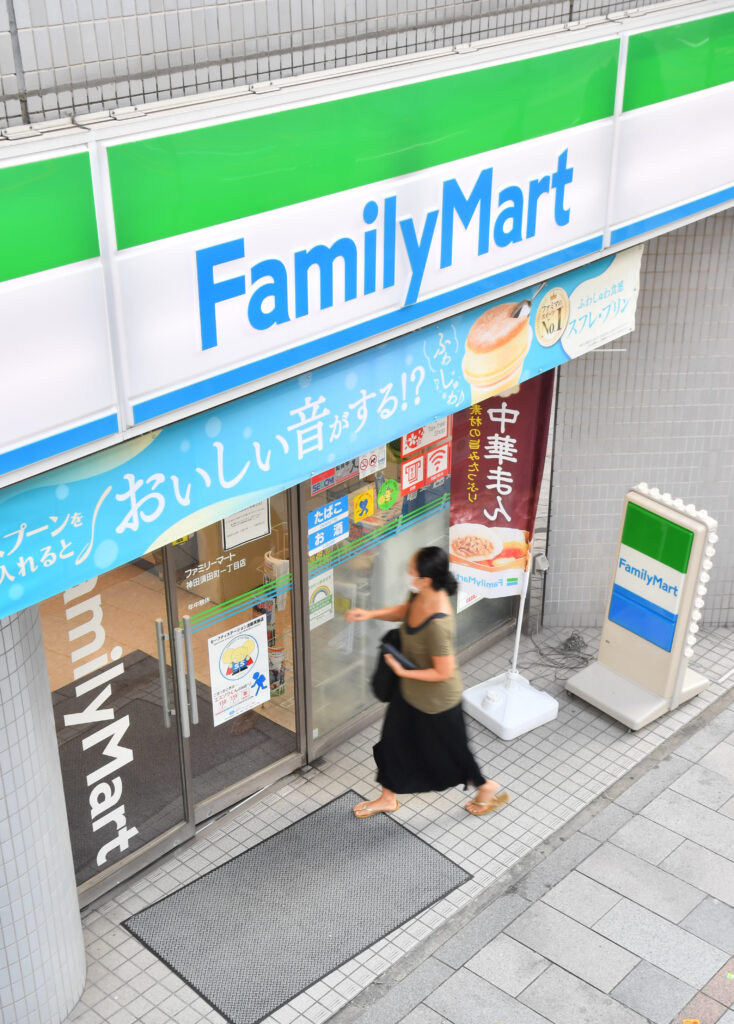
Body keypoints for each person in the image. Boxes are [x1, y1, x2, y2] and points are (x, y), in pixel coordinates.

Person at [345, 546, 509, 819]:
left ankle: (485, 787)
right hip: (409, 694)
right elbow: (406, 611)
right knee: (391, 744)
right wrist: (370, 614)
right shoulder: (420, 593)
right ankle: (387, 798)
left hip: (438, 703)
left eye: (411, 570)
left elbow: (443, 672)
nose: (407, 573)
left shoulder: (438, 624)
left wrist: (403, 671)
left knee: (450, 755)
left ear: (426, 579)